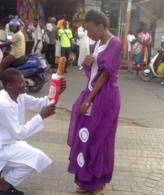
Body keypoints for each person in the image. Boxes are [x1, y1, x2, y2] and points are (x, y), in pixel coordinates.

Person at [67, 10, 121, 195]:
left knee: (100, 140)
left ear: (100, 26)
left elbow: (105, 75)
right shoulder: (97, 43)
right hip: (91, 94)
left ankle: (97, 184)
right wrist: (89, 63)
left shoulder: (115, 43)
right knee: (85, 139)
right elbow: (94, 72)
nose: (87, 34)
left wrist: (88, 101)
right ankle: (85, 181)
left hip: (104, 99)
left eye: (89, 30)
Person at [0, 68, 66, 195]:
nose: (25, 84)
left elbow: (40, 103)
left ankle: (4, 183)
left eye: (23, 81)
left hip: (9, 143)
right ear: (9, 85)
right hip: (3, 146)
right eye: (20, 83)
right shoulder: (4, 104)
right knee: (36, 158)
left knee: (35, 158)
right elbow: (18, 134)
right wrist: (41, 116)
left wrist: (57, 92)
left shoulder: (20, 96)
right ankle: (4, 185)